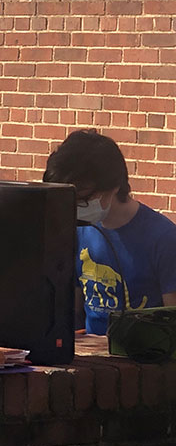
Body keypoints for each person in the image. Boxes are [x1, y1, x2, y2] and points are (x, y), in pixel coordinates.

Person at [43, 129, 176, 335]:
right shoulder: (77, 231)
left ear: (113, 187)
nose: (74, 206)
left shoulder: (163, 238)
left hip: (143, 359)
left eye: (82, 197)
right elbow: (72, 314)